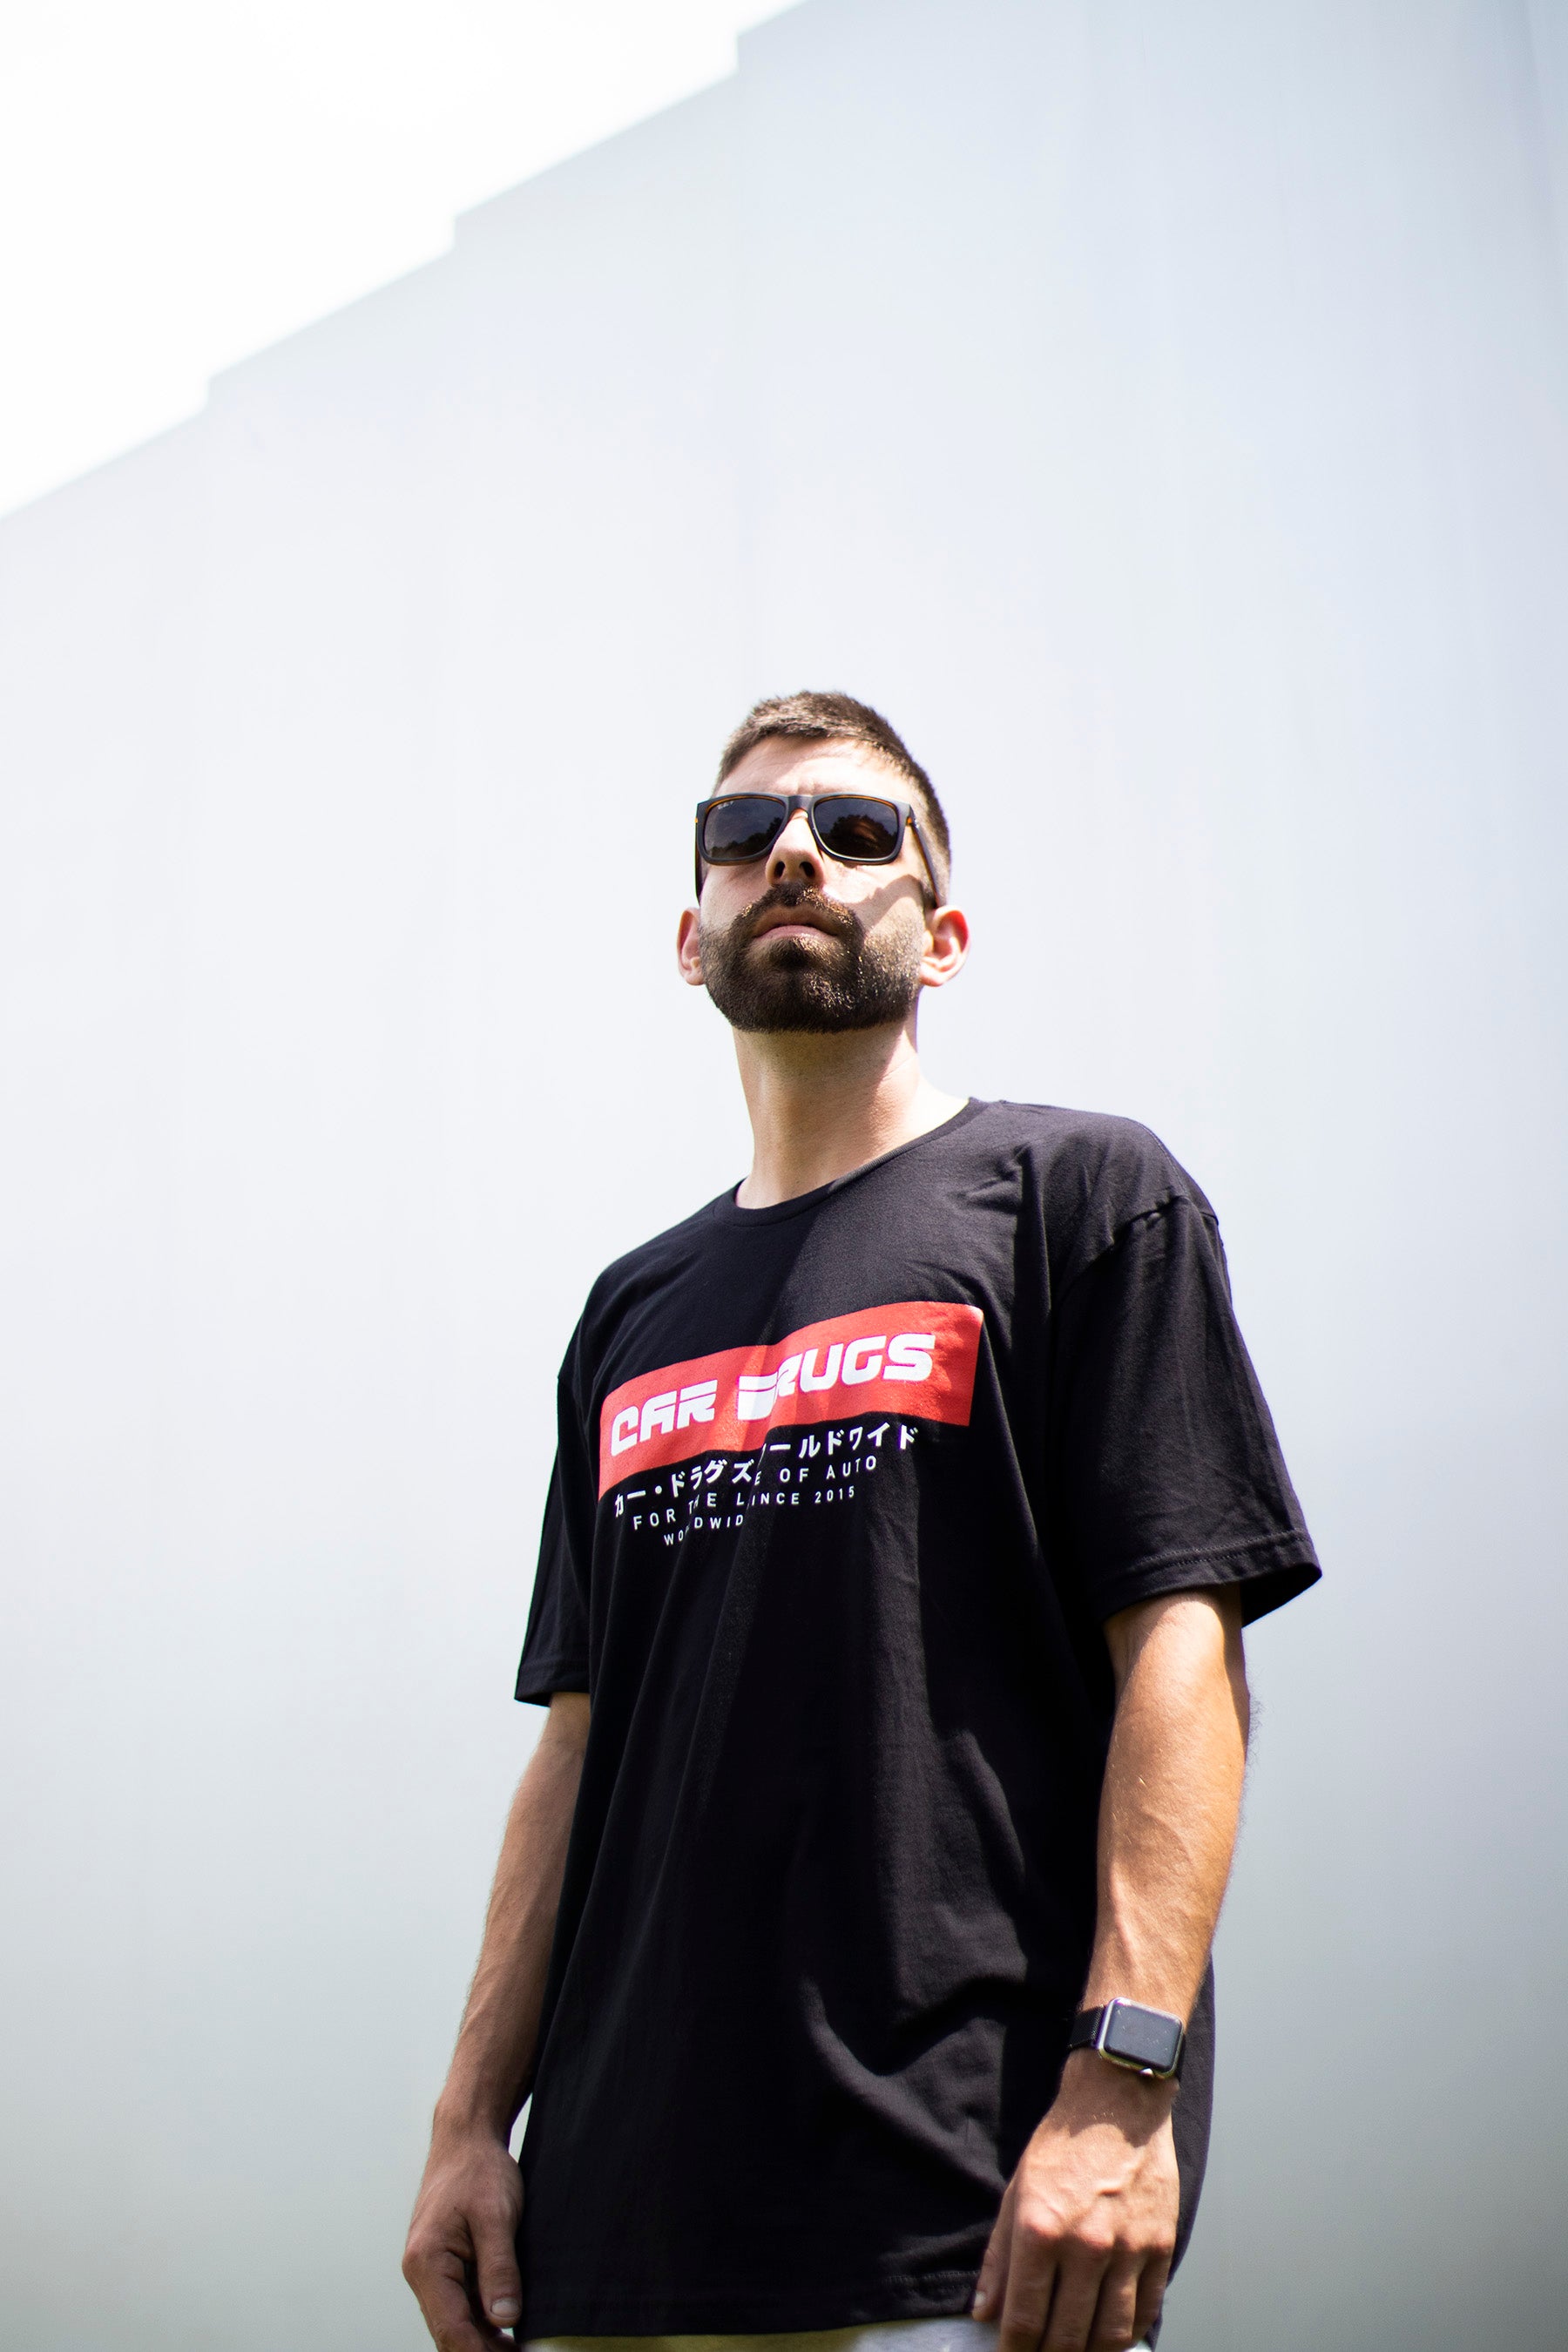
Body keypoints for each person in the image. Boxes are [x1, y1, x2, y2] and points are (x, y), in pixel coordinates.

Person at [402, 691, 1320, 2352]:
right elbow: (577, 1746)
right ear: (690, 936)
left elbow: (1183, 1652)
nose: (794, 857)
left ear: (943, 936)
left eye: (854, 830)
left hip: (963, 2219)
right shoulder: (629, 1312)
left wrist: (1125, 2081)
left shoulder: (1082, 1199)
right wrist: (469, 2125)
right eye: (743, 835)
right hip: (606, 2230)